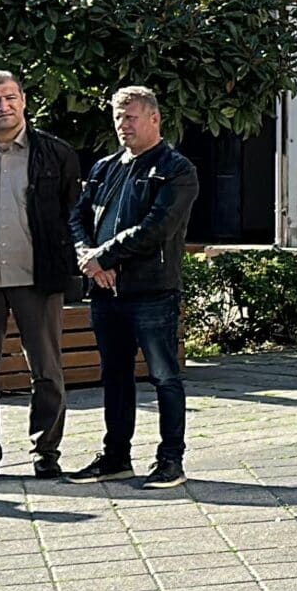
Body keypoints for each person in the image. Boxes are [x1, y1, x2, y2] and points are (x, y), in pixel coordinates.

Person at [0, 71, 87, 481]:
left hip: (36, 277)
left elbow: (69, 213)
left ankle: (46, 453)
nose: (2, 106)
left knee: (47, 369)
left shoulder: (56, 154)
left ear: (23, 100)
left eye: (9, 97)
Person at [66, 86, 200, 489]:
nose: (122, 125)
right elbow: (77, 217)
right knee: (115, 377)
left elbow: (157, 228)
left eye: (131, 117)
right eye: (117, 118)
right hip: (106, 293)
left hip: (152, 292)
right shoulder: (106, 166)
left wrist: (103, 257)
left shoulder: (176, 169)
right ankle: (116, 457)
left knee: (164, 377)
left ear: (155, 119)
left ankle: (170, 460)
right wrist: (87, 258)